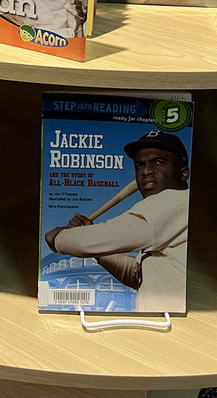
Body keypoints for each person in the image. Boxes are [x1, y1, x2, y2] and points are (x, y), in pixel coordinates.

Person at [44, 130, 190, 312]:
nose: (146, 171)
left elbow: (88, 242)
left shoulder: (176, 201)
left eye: (158, 162)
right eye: (139, 165)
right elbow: (137, 275)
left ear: (184, 173)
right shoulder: (172, 218)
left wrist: (58, 238)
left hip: (177, 324)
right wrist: (96, 246)